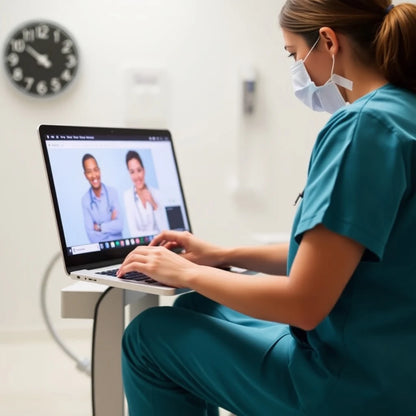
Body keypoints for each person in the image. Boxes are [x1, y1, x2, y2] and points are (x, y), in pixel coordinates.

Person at [118, 1, 416, 415]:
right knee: (195, 306)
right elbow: (336, 255)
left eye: (295, 55)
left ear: (328, 41)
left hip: (349, 389)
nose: (298, 70)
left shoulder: (362, 128)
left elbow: (304, 304)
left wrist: (187, 272)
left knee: (147, 336)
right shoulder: (405, 113)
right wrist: (223, 255)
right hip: (394, 362)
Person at [123, 150, 168, 237]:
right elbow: (134, 233)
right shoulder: (127, 196)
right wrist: (157, 234)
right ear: (129, 174)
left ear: (144, 170)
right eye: (132, 172)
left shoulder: (157, 193)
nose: (137, 177)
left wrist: (154, 204)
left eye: (139, 170)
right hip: (141, 247)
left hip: (161, 246)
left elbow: (165, 230)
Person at [81, 153, 123, 243]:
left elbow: (119, 225)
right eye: (89, 172)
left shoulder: (112, 192)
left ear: (99, 171)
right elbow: (92, 237)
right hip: (100, 253)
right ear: (85, 175)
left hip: (119, 247)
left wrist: (99, 227)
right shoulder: (85, 201)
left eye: (95, 170)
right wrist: (111, 223)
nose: (94, 175)